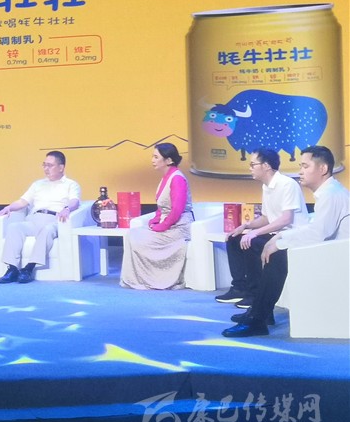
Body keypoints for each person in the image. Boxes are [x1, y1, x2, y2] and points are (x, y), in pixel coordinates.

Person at [223, 145, 349, 337]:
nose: (300, 171)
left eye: (305, 166)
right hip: (331, 250)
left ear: (323, 169)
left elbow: (318, 233)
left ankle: (258, 318)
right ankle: (258, 311)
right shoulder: (329, 192)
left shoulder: (331, 194)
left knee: (277, 255)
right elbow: (317, 228)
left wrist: (279, 241)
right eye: (300, 166)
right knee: (264, 248)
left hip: (337, 255)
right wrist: (278, 237)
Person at [215, 148, 308, 309]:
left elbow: (286, 219)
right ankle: (239, 287)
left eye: (253, 164)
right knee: (234, 239)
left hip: (290, 235)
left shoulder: (287, 184)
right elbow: (266, 218)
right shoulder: (266, 186)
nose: (250, 168)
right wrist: (245, 226)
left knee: (252, 243)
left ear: (266, 166)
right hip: (275, 233)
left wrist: (254, 233)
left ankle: (254, 294)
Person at [0, 151, 81, 284]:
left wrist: (67, 209)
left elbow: (75, 201)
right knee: (14, 227)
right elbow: (23, 202)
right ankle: (12, 269)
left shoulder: (71, 184)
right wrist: (9, 208)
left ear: (61, 167)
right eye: (44, 165)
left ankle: (28, 269)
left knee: (47, 230)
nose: (46, 168)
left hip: (54, 219)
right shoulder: (37, 184)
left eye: (50, 165)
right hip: (34, 219)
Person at [120, 143, 192, 290]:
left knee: (138, 237)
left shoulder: (177, 178)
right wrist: (155, 220)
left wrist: (162, 226)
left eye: (156, 157)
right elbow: (162, 206)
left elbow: (176, 210)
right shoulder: (166, 177)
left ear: (169, 160)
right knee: (132, 234)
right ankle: (140, 278)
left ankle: (155, 279)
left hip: (178, 227)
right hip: (168, 223)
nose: (152, 160)